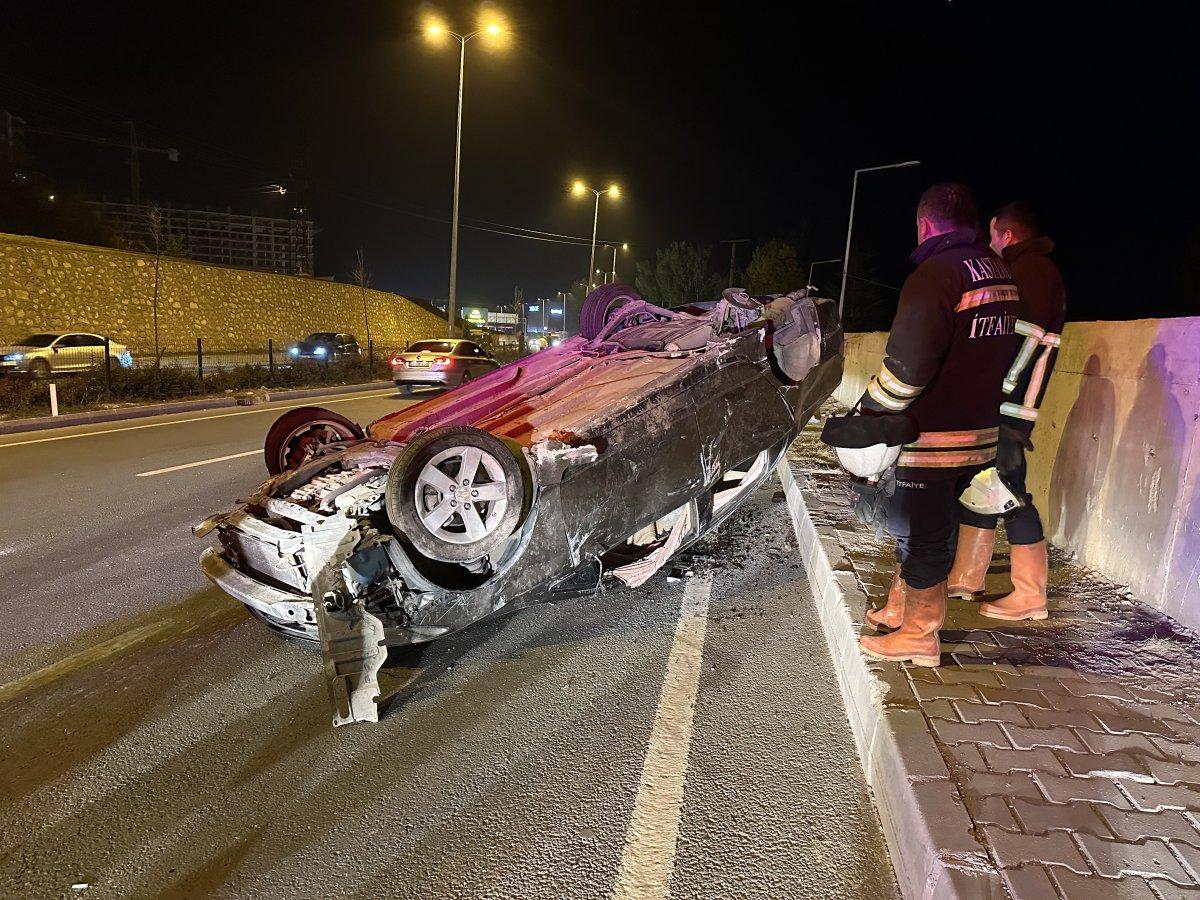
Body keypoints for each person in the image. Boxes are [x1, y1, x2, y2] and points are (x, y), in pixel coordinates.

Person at [857, 184, 1021, 667]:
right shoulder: (999, 272)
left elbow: (907, 368)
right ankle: (900, 608)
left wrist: (869, 411)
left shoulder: (936, 276)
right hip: (980, 434)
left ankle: (919, 636)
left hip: (932, 437)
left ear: (925, 225)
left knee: (920, 534)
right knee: (937, 529)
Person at [947, 201, 1066, 620]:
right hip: (1004, 402)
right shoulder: (1031, 270)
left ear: (1008, 236)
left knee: (1010, 490)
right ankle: (966, 577)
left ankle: (1030, 595)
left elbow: (1023, 340)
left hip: (1009, 406)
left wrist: (990, 390)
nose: (991, 244)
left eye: (994, 236)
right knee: (982, 484)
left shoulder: (1032, 273)